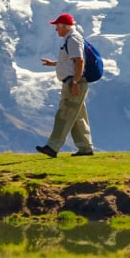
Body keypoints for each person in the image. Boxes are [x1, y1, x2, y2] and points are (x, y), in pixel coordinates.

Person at [36, 13, 93, 157]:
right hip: (74, 81)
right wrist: (54, 64)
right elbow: (71, 60)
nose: (56, 30)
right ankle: (85, 148)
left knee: (64, 115)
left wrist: (75, 82)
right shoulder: (71, 38)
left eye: (57, 26)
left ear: (64, 27)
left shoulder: (73, 39)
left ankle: (52, 147)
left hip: (74, 82)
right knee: (77, 117)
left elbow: (80, 61)